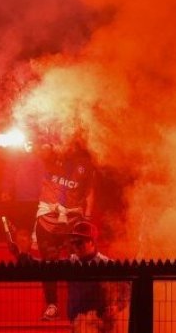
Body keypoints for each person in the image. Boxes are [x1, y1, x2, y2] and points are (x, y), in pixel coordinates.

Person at [36, 141, 97, 321]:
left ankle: (79, 306)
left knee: (77, 263)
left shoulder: (84, 164)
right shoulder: (48, 156)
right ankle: (52, 305)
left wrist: (87, 217)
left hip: (73, 224)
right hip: (47, 223)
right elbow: (37, 149)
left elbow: (89, 191)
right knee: (49, 264)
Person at [67, 221, 130, 333]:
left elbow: (127, 290)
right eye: (73, 242)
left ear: (91, 242)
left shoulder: (106, 265)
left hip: (100, 324)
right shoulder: (70, 262)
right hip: (77, 323)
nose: (75, 246)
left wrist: (117, 307)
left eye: (79, 242)